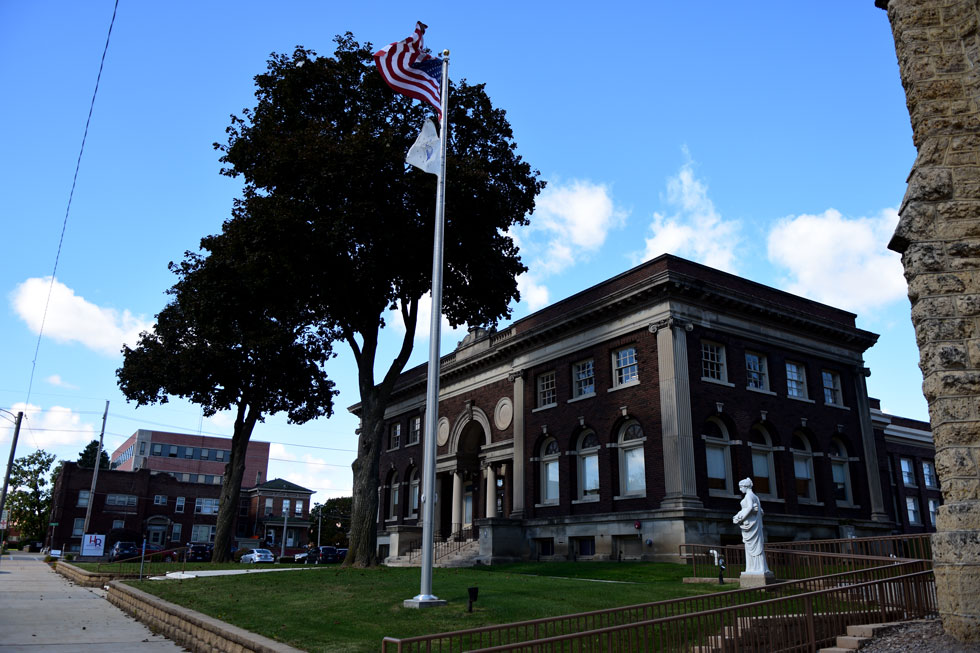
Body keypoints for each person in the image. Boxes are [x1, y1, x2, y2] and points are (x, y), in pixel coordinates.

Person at [733, 477, 771, 575]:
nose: (740, 489)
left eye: (740, 487)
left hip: (751, 526)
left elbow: (750, 508)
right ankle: (757, 568)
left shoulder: (749, 496)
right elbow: (761, 512)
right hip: (753, 525)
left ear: (745, 486)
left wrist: (740, 518)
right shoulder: (756, 497)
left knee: (753, 547)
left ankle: (755, 569)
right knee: (755, 547)